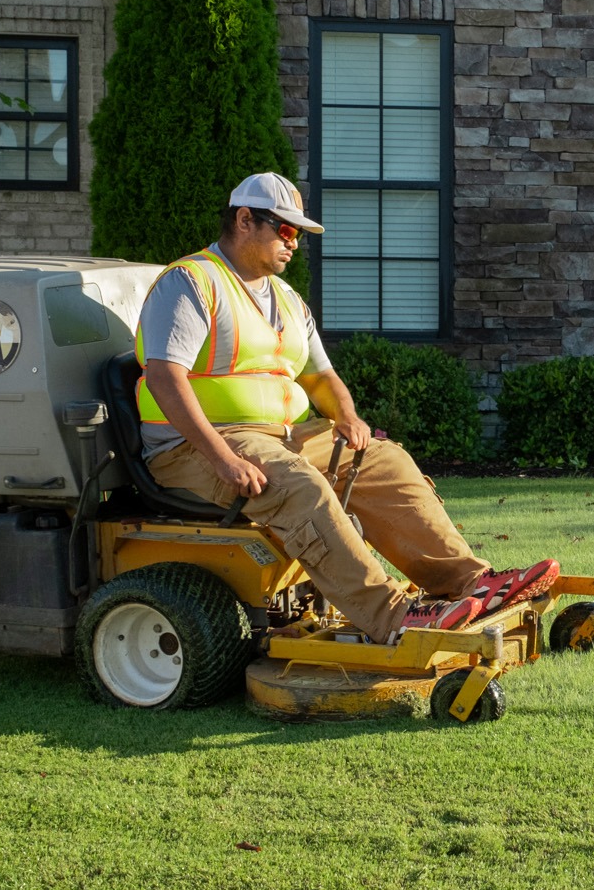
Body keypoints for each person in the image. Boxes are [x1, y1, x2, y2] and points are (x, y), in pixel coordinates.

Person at [137, 171, 558, 641]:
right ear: (243, 220)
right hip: (197, 447)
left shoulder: (287, 299)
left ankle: (467, 584)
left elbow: (321, 375)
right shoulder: (191, 283)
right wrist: (223, 458)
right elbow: (164, 377)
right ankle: (393, 617)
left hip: (282, 437)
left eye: (298, 233)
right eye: (287, 230)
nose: (294, 243)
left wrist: (348, 417)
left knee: (383, 459)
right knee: (302, 487)